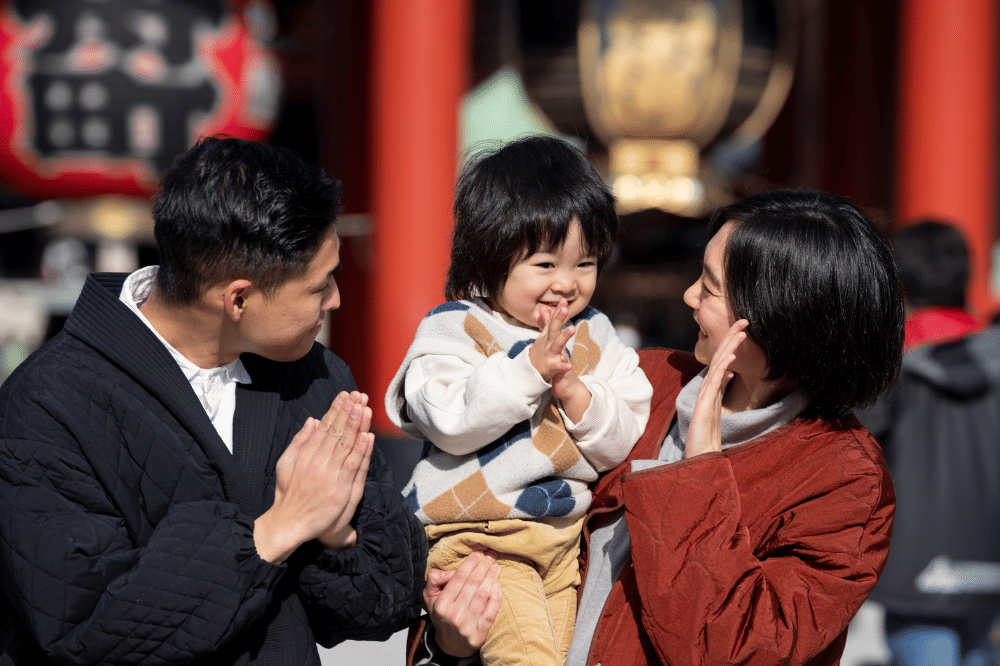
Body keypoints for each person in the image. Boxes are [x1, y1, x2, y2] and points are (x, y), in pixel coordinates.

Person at [413, 189, 904, 666]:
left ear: (779, 315)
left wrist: (699, 474)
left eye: (710, 287)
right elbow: (506, 514)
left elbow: (737, 650)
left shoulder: (843, 479)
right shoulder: (643, 381)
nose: (689, 295)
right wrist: (452, 642)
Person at [0, 136, 427, 665]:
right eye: (319, 287)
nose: (336, 299)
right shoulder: (44, 407)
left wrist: (338, 536)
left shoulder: (314, 376)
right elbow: (86, 629)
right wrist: (278, 529)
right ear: (238, 298)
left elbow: (384, 606)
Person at [385, 135, 653, 666]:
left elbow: (623, 435)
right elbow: (448, 418)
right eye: (546, 265)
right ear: (489, 259)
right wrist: (528, 371)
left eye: (585, 263)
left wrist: (578, 394)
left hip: (560, 544)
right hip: (482, 539)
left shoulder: (598, 336)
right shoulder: (458, 327)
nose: (567, 284)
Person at [857, 220, 1000, 666]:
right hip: (990, 564)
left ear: (899, 282)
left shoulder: (891, 368)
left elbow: (858, 457)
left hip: (915, 569)